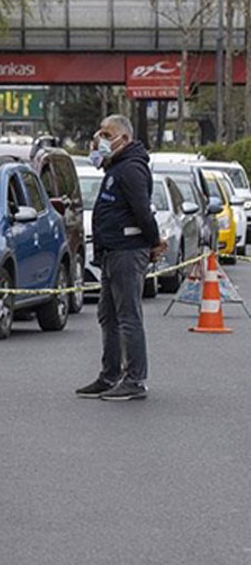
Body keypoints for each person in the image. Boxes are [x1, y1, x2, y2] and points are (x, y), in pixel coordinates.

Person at [77, 114, 166, 402]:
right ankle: (110, 375)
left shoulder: (130, 169)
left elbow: (142, 211)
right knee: (108, 315)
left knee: (128, 317)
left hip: (127, 252)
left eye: (106, 134)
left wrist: (154, 242)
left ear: (123, 139)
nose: (99, 140)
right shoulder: (116, 167)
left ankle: (135, 380)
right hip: (112, 252)